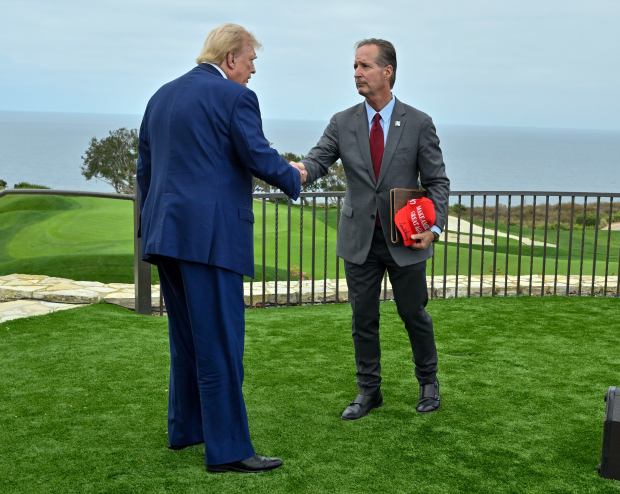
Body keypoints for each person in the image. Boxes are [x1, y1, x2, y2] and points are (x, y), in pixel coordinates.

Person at [137, 23, 306, 473]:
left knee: (187, 340)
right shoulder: (235, 97)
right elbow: (256, 154)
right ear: (230, 58)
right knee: (220, 344)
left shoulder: (161, 96)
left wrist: (148, 229)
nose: (252, 72)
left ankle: (187, 429)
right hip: (209, 240)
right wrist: (296, 175)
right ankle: (230, 449)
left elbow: (145, 172)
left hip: (164, 236)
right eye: (251, 61)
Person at [294, 38, 450, 420]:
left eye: (364, 66)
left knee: (414, 314)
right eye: (354, 67)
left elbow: (438, 182)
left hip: (407, 241)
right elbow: (316, 162)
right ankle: (369, 391)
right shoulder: (342, 122)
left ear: (387, 71)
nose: (357, 74)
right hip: (359, 240)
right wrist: (293, 172)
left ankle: (428, 382)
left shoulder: (418, 122)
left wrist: (434, 227)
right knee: (363, 319)